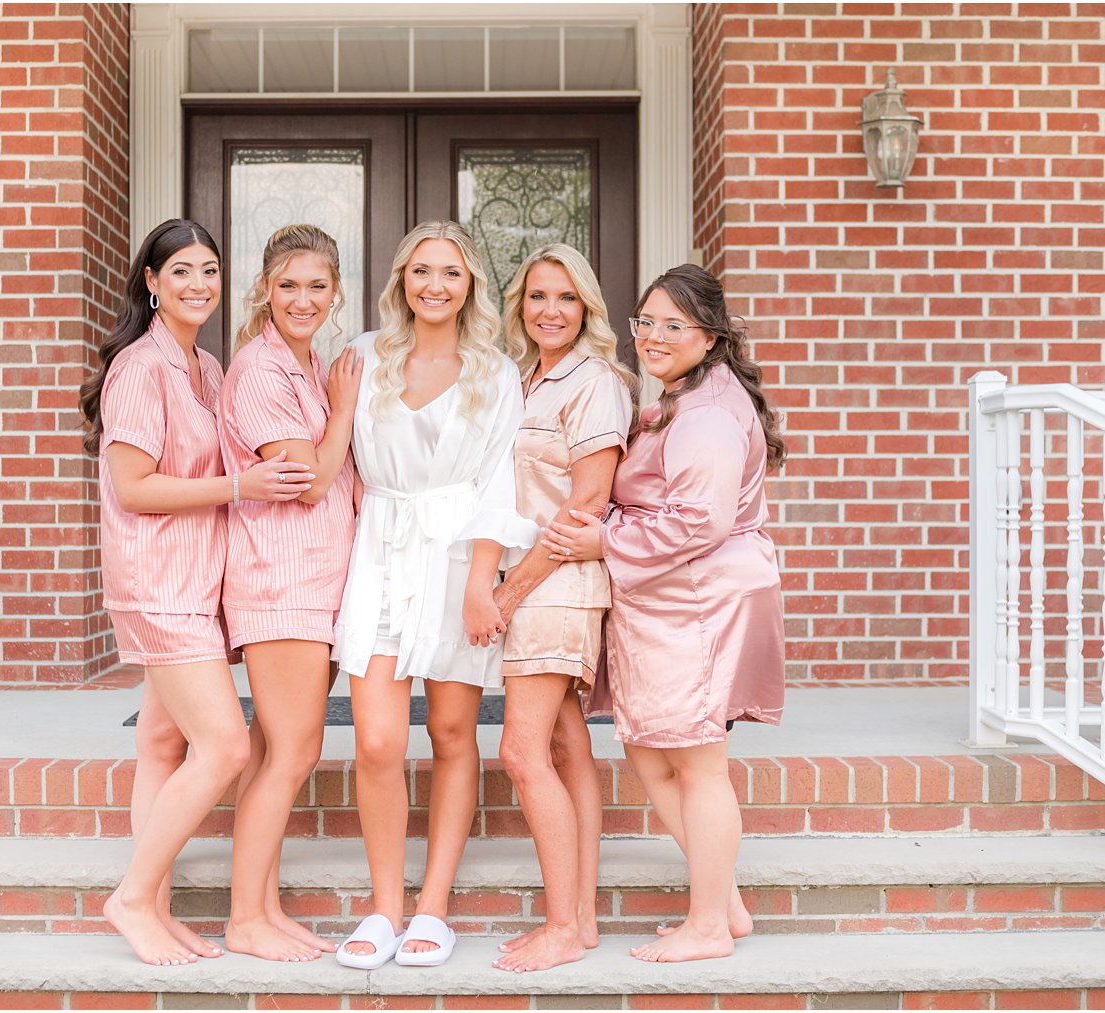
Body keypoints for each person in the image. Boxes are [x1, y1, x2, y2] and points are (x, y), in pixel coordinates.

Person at [79, 218, 315, 966]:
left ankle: (156, 905)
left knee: (159, 742)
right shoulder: (141, 368)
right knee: (224, 745)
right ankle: (130, 898)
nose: (198, 285)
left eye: (209, 271)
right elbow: (133, 486)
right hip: (157, 583)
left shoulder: (206, 368)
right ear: (151, 282)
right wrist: (240, 485)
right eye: (180, 271)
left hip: (198, 579)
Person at [544, 263, 787, 963]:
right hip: (669, 603)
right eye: (644, 320)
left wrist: (603, 537)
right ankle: (727, 901)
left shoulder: (707, 411)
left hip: (698, 603)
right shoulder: (682, 396)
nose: (652, 335)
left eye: (672, 325)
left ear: (709, 336)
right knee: (650, 752)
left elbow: (699, 521)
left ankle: (707, 923)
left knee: (700, 764)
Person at [332, 221, 538, 969]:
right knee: (379, 740)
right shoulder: (361, 357)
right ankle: (386, 905)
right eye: (422, 271)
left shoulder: (495, 371)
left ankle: (432, 907)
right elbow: (337, 459)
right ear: (401, 280)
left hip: (457, 558)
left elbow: (499, 484)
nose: (435, 286)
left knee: (452, 732)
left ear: (471, 284)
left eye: (450, 273)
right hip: (381, 550)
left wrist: (486, 582)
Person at [489, 245, 636, 972]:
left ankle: (558, 927)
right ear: (522, 304)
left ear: (587, 309)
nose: (551, 310)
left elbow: (586, 507)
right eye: (539, 296)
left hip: (558, 585)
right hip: (530, 580)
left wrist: (510, 591)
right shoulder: (522, 380)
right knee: (565, 743)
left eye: (567, 298)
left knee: (520, 750)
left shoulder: (597, 383)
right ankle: (579, 920)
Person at [220, 224, 362, 962]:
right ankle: (246, 919)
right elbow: (307, 483)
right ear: (265, 291)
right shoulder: (262, 370)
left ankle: (264, 906)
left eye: (316, 285)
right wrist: (343, 411)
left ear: (336, 291)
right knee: (295, 752)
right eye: (288, 285)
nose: (302, 298)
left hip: (319, 583)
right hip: (281, 584)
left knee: (275, 750)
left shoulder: (306, 365)